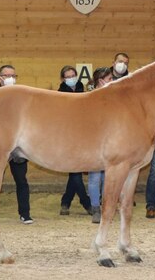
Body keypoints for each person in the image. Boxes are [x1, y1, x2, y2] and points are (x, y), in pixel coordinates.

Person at [0, 64, 34, 224]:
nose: (10, 78)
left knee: (21, 180)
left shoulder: (22, 95)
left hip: (18, 145)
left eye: (13, 75)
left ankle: (25, 213)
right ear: (0, 78)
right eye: (6, 75)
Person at [57, 65, 92, 216]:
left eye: (73, 75)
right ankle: (87, 203)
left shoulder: (82, 90)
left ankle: (65, 202)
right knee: (75, 171)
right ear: (63, 79)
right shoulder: (58, 94)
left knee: (75, 171)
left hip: (82, 135)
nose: (71, 78)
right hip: (67, 135)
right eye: (68, 76)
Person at [87, 67, 113, 223]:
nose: (112, 81)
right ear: (101, 81)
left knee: (108, 177)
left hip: (108, 140)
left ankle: (105, 207)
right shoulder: (90, 96)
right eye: (109, 79)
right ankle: (95, 208)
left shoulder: (113, 96)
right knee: (95, 178)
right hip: (93, 141)